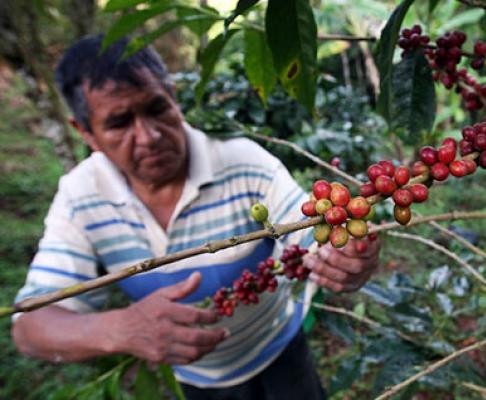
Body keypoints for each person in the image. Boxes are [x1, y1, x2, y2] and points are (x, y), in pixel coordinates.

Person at [11, 35, 381, 399]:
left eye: (157, 108)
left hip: (281, 350)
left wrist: (342, 258)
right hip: (199, 382)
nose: (150, 135)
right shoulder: (80, 198)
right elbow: (30, 325)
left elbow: (311, 238)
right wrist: (119, 329)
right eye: (120, 123)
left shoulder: (243, 161)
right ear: (85, 132)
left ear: (173, 94)